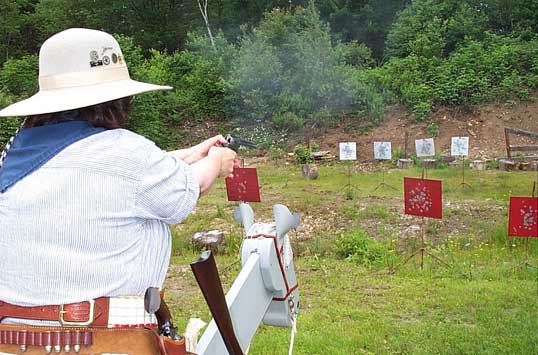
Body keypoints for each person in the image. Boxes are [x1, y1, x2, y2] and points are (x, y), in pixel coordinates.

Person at [0, 28, 236, 354]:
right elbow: (189, 188)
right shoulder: (127, 154)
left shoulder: (14, 156)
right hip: (106, 344)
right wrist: (217, 161)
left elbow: (111, 176)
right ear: (117, 100)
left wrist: (194, 152)